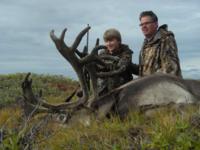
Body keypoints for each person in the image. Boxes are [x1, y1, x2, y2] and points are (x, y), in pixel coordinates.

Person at [136, 11, 182, 77]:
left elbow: (170, 69)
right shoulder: (145, 44)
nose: (143, 26)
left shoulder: (166, 39)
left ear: (156, 24)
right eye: (141, 24)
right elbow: (144, 71)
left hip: (165, 86)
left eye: (147, 23)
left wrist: (146, 81)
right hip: (149, 86)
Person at [97, 28, 133, 96]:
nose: (108, 44)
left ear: (119, 41)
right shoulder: (102, 53)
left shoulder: (126, 53)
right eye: (106, 41)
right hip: (102, 91)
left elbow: (121, 66)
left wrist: (105, 65)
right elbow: (97, 67)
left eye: (111, 41)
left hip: (121, 91)